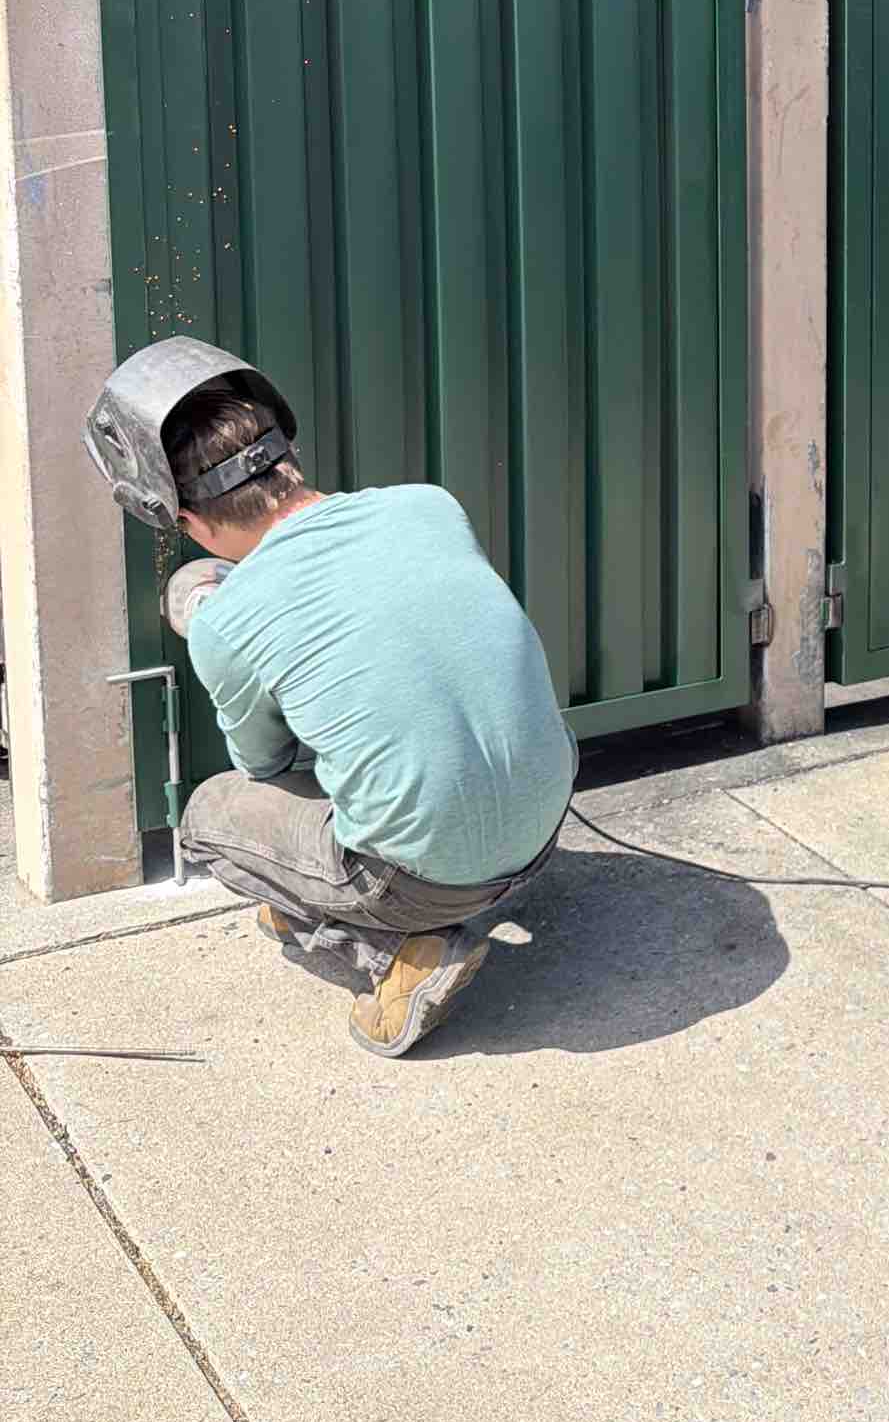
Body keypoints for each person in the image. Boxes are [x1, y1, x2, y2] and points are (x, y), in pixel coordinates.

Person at [83, 340, 576, 1057]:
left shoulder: (228, 618)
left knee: (210, 817)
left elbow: (262, 763)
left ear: (190, 523)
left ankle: (398, 953)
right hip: (544, 822)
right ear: (290, 458)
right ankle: (330, 897)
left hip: (433, 878)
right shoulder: (427, 506)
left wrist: (214, 623)